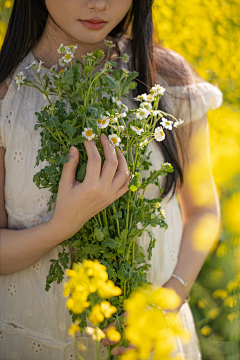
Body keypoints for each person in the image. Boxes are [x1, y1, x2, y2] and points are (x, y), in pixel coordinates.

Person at [0, 0, 222, 359]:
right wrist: (61, 227)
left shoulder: (167, 80)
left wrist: (168, 301)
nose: (98, 4)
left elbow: (203, 212)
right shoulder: (7, 93)